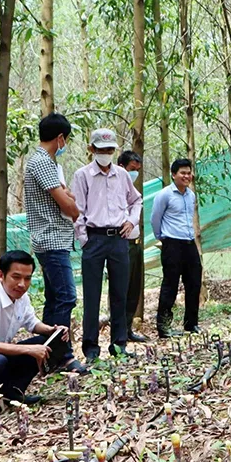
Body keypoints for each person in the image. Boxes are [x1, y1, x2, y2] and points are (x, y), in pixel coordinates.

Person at [0, 251, 70, 417]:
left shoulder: (21, 297)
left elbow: (31, 322)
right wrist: (29, 350)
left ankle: (12, 393)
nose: (22, 284)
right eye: (16, 277)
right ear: (1, 275)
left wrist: (52, 330)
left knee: (46, 342)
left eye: (27, 278)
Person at [23, 113, 87, 373]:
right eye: (66, 140)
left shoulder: (45, 163)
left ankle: (48, 354)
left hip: (55, 239)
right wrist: (72, 203)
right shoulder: (42, 163)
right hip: (51, 239)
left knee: (54, 298)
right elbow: (70, 207)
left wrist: (71, 199)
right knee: (65, 297)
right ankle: (63, 355)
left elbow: (68, 199)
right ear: (60, 138)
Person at [73, 129, 142, 360]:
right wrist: (84, 239)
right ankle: (91, 347)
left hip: (119, 239)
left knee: (119, 293)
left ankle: (119, 344)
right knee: (92, 295)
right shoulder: (82, 175)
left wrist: (131, 222)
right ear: (92, 149)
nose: (106, 154)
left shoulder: (122, 175)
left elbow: (136, 200)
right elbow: (77, 210)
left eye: (110, 150)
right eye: (101, 150)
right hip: (94, 238)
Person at [151, 158, 202, 338]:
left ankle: (191, 324)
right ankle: (164, 326)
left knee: (194, 282)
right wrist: (162, 237)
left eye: (189, 173)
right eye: (182, 173)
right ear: (174, 175)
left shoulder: (191, 195)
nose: (186, 176)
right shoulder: (164, 195)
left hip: (189, 243)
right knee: (170, 285)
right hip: (172, 243)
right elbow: (155, 219)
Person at [117, 150, 148, 344]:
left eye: (137, 170)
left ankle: (128, 329)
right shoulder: (114, 189)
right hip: (122, 244)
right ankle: (118, 332)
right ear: (121, 168)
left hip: (135, 244)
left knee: (134, 289)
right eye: (131, 169)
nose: (134, 173)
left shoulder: (134, 191)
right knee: (122, 289)